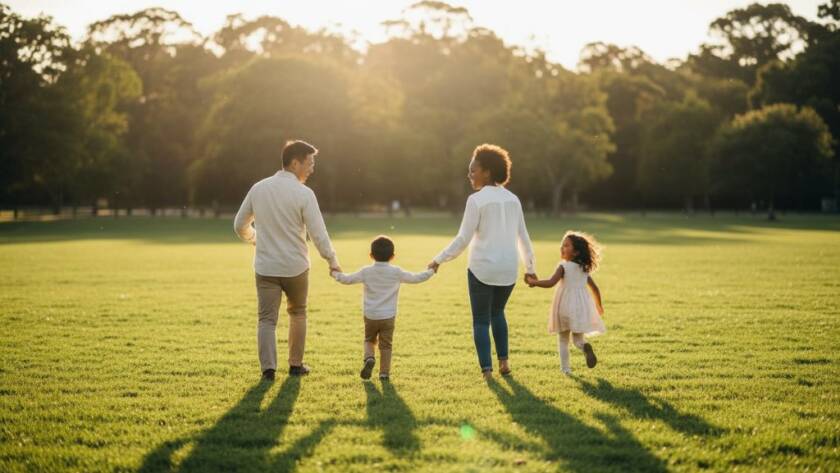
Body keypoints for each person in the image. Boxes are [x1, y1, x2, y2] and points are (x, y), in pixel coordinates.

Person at [234, 139, 341, 381]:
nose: (312, 168)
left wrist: (254, 238)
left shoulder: (259, 188)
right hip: (296, 268)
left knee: (266, 320)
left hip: (266, 267)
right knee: (298, 313)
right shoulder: (304, 194)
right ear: (295, 163)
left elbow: (239, 224)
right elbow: (319, 234)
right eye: (310, 162)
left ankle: (268, 370)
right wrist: (332, 260)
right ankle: (295, 366)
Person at [428, 144, 536, 380]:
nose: (470, 175)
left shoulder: (476, 200)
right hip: (508, 270)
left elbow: (462, 239)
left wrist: (438, 259)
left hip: (482, 269)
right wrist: (530, 269)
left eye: (473, 170)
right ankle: (504, 363)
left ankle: (487, 371)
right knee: (498, 313)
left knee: (480, 320)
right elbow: (524, 237)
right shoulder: (514, 199)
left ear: (487, 172)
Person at [332, 235, 435, 381]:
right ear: (393, 256)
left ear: (371, 255)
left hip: (370, 315)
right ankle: (384, 373)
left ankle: (369, 358)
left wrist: (335, 273)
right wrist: (431, 271)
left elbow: (347, 279)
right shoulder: (396, 272)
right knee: (386, 345)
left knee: (369, 340)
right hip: (388, 316)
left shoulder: (366, 271)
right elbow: (416, 278)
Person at [527, 231, 605, 375]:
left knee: (563, 340)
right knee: (577, 340)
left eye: (566, 245)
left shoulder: (564, 266)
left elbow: (551, 282)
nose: (562, 248)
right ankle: (585, 347)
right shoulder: (583, 268)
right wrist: (599, 305)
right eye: (562, 245)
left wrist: (534, 282)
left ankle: (566, 370)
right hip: (580, 309)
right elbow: (595, 288)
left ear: (575, 252)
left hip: (564, 307)